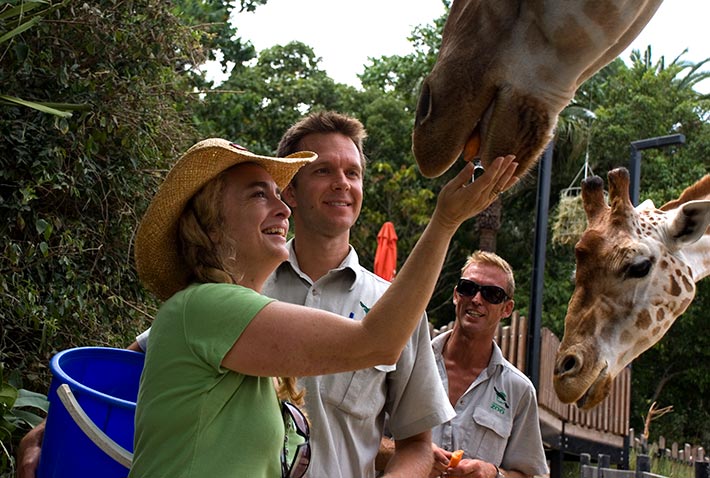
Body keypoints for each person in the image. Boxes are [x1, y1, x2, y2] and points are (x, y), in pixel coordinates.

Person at [19, 135, 518, 478]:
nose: (282, 207)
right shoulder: (210, 308)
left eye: (280, 193)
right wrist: (445, 221)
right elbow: (376, 341)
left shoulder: (215, 310)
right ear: (212, 223)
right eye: (262, 195)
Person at [428, 251, 549, 478]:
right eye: (468, 288)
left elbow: (533, 475)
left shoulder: (518, 390)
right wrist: (412, 454)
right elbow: (363, 438)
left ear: (506, 309)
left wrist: (493, 474)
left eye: (492, 294)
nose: (476, 299)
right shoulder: (413, 365)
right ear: (456, 295)